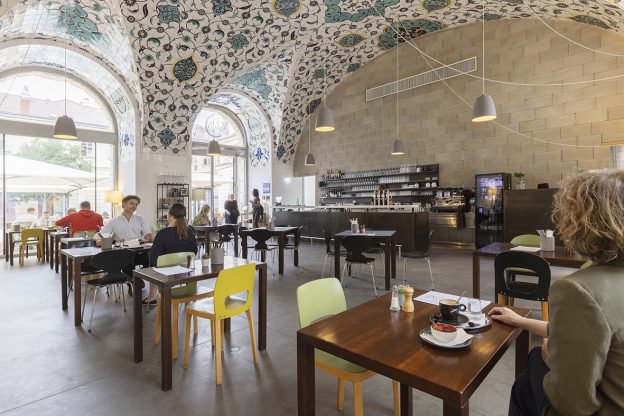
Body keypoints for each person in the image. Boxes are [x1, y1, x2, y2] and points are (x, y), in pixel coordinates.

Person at [489, 171, 624, 416]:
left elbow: (571, 404)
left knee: (532, 364)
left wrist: (553, 359)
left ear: (583, 222)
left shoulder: (579, 291)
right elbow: (593, 333)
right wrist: (518, 321)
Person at [142, 203, 197, 305]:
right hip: (185, 270)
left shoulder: (163, 233)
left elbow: (154, 257)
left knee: (152, 259)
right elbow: (194, 251)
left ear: (170, 215)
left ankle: (152, 295)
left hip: (165, 274)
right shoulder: (189, 231)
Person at [97, 195, 153, 295]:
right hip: (123, 253)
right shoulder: (114, 221)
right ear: (123, 204)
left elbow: (147, 234)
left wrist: (149, 236)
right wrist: (98, 239)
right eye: (131, 203)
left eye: (136, 204)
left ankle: (137, 278)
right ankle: (132, 280)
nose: (134, 206)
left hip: (139, 251)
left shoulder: (141, 219)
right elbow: (101, 234)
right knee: (127, 260)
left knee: (149, 258)